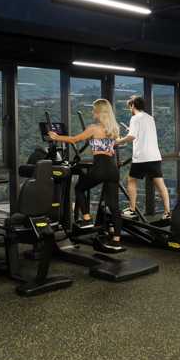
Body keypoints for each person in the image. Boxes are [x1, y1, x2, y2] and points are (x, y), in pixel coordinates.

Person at [48, 99, 124, 252]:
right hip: (113, 169)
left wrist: (56, 137)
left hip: (100, 167)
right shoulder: (114, 129)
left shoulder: (93, 128)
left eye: (93, 109)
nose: (92, 112)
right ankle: (117, 240)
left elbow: (74, 140)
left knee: (79, 188)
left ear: (98, 111)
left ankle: (87, 219)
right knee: (114, 206)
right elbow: (111, 146)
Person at [116, 96, 171, 220]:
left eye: (130, 107)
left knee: (131, 180)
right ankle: (167, 212)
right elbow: (143, 133)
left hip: (142, 157)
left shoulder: (135, 118)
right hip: (155, 156)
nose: (130, 109)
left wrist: (118, 141)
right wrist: (131, 130)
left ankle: (132, 209)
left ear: (133, 105)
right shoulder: (150, 118)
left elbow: (131, 137)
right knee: (160, 184)